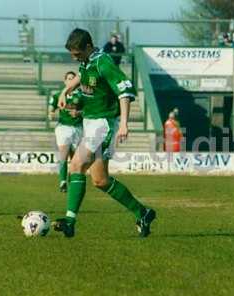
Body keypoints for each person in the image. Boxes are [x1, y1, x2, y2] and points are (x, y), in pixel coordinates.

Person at [53, 28, 156, 238]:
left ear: (88, 47)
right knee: (100, 180)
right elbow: (81, 76)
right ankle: (142, 213)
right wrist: (66, 90)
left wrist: (124, 124)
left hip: (103, 123)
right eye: (72, 54)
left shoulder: (104, 62)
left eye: (77, 54)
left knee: (76, 165)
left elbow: (124, 91)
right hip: (91, 122)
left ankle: (70, 222)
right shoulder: (88, 61)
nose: (75, 58)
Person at [48, 71, 83, 192]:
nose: (70, 81)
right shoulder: (58, 95)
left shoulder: (82, 95)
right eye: (68, 78)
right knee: (63, 152)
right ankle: (62, 181)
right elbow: (52, 108)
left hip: (78, 128)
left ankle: (71, 180)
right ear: (65, 81)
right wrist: (51, 113)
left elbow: (88, 111)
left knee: (75, 159)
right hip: (63, 127)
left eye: (73, 79)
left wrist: (79, 113)